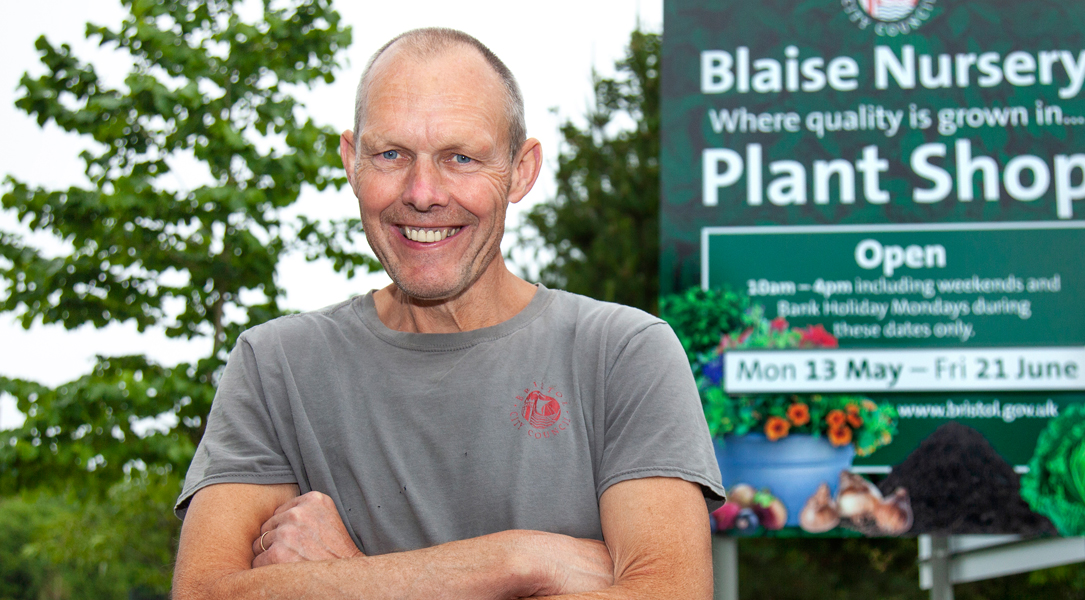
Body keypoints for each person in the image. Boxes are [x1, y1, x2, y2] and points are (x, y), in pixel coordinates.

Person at [170, 28, 724, 599]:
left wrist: (349, 575)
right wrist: (519, 563)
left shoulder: (622, 354)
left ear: (522, 170)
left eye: (461, 157)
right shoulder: (276, 367)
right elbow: (204, 593)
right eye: (391, 155)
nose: (423, 192)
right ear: (350, 162)